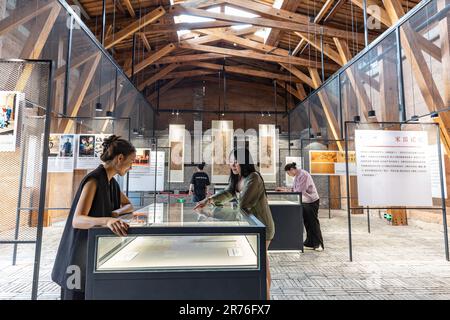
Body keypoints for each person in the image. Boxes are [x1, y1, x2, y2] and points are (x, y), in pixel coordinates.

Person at [51, 135, 136, 300]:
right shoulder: (94, 180)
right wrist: (107, 220)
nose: (131, 167)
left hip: (91, 253)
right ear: (120, 158)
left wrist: (115, 213)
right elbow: (78, 220)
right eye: (131, 162)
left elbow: (129, 205)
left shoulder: (112, 182)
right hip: (77, 257)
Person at [194, 148, 275, 300]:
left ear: (244, 162)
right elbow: (228, 193)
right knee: (264, 263)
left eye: (236, 161)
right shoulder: (237, 178)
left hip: (262, 226)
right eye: (231, 161)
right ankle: (266, 296)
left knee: (261, 265)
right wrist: (207, 201)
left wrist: (214, 214)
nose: (232, 165)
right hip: (253, 225)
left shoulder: (254, 178)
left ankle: (265, 297)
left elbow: (242, 205)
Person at [277, 162, 324, 251]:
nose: (288, 175)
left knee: (313, 223)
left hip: (311, 201)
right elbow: (295, 189)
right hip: (305, 201)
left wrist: (286, 191)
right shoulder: (297, 176)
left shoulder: (303, 175)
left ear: (292, 170)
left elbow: (299, 191)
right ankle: (310, 243)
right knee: (307, 222)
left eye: (288, 173)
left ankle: (318, 244)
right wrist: (284, 189)